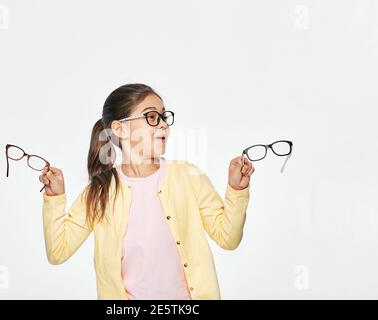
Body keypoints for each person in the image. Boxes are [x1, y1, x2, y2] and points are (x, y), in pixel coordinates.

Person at [39, 83, 254, 300]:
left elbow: (228, 238)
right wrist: (54, 198)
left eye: (164, 117)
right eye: (152, 117)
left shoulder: (188, 176)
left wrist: (237, 190)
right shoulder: (101, 191)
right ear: (120, 129)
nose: (163, 126)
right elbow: (58, 252)